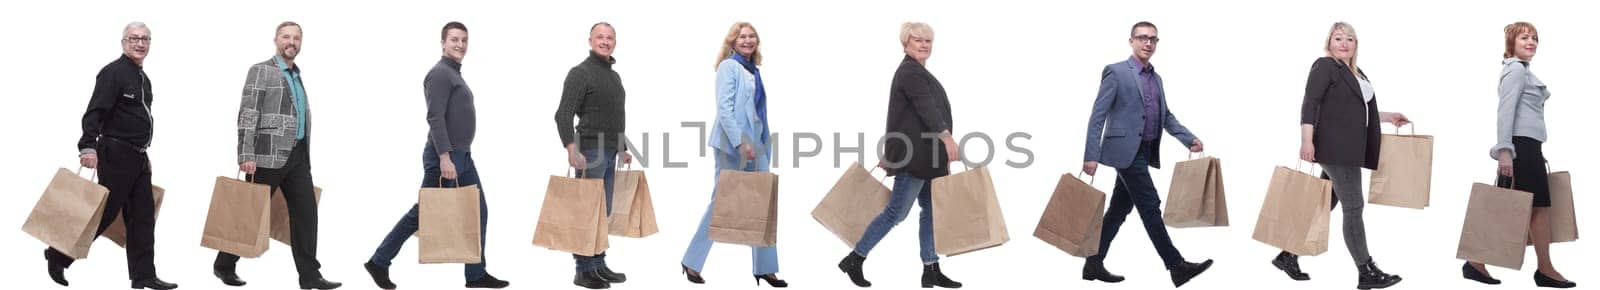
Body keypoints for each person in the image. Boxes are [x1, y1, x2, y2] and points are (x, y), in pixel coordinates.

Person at [364, 21, 510, 290]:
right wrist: (444, 157)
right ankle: (379, 261)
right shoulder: (440, 74)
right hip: (445, 156)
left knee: (478, 211)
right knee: (425, 212)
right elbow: (435, 116)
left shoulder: (454, 73)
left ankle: (476, 275)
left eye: (464, 40)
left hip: (463, 156)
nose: (460, 45)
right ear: (442, 43)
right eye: (454, 39)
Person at [1271, 22, 1407, 290]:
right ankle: (1366, 270)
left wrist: (1388, 117)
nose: (1344, 43)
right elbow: (1310, 104)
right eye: (1338, 38)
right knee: (1354, 207)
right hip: (1335, 149)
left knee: (1324, 204)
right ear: (1329, 42)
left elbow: (1356, 113)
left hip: (1350, 147)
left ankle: (1288, 255)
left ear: (1356, 45)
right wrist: (1306, 141)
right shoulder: (1325, 66)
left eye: (1350, 39)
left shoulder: (1356, 72)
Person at [1079, 21, 1213, 288]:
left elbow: (1166, 116)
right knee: (1150, 205)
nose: (1148, 43)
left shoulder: (1156, 78)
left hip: (1144, 150)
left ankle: (1093, 263)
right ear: (1131, 41)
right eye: (1142, 38)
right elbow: (1098, 115)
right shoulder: (1116, 72)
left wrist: (1189, 139)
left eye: (1153, 39)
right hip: (1123, 152)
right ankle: (1176, 266)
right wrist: (1090, 155)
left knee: (1119, 209)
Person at [47, 21, 178, 290]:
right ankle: (58, 255)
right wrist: (88, 146)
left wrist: (145, 153)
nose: (140, 43)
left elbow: (140, 118)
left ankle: (143, 275)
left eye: (145, 39)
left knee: (143, 216)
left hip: (138, 157)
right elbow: (95, 111)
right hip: (115, 154)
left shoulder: (142, 78)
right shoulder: (113, 73)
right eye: (134, 38)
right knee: (103, 213)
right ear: (123, 42)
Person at [835, 22, 962, 289]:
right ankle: (855, 258)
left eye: (928, 40)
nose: (924, 44)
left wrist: (890, 151)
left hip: (928, 157)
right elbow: (925, 109)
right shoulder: (909, 72)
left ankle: (931, 268)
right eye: (918, 39)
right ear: (905, 43)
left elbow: (901, 118)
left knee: (931, 212)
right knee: (896, 213)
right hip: (916, 157)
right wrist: (946, 135)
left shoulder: (917, 72)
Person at [218, 21, 341, 290]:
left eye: (296, 38)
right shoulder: (262, 70)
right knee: (251, 213)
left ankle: (310, 276)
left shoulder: (297, 75)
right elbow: (248, 113)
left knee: (307, 214)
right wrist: (246, 152)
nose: (292, 42)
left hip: (298, 157)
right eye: (287, 36)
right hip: (266, 156)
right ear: (276, 39)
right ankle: (224, 264)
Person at [1461, 21, 1576, 289]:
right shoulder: (1515, 71)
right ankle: (1545, 269)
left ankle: (1477, 262)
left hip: (1529, 146)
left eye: (1535, 38)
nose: (1531, 42)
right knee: (1536, 207)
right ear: (1511, 43)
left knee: (1516, 206)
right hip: (1520, 146)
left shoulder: (1524, 71)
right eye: (1524, 37)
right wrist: (1504, 151)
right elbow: (1505, 110)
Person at [678, 21, 787, 288]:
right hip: (734, 145)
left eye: (752, 37)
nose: (748, 40)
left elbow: (756, 110)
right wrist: (740, 143)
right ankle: (692, 260)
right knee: (722, 202)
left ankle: (765, 268)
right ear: (732, 41)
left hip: (758, 144)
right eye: (742, 37)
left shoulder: (754, 70)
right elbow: (724, 109)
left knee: (763, 203)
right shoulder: (729, 67)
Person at [554, 22, 633, 290]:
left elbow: (616, 117)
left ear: (615, 42)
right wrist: (570, 147)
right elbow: (563, 113)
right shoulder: (580, 73)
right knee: (587, 211)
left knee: (603, 211)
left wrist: (622, 148)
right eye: (600, 37)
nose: (605, 41)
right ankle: (583, 269)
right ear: (590, 41)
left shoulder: (614, 76)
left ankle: (598, 263)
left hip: (610, 151)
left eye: (610, 37)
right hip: (590, 150)